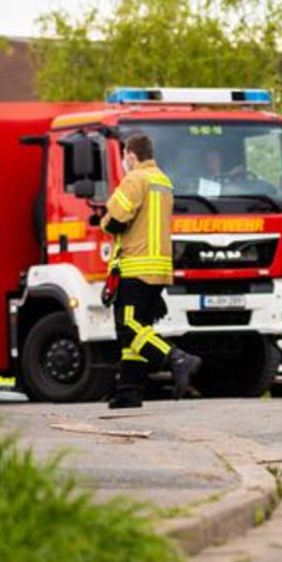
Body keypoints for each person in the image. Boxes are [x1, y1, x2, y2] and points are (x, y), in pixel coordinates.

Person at [100, 134, 202, 409]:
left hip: (136, 267)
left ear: (131, 155)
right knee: (136, 330)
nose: (124, 162)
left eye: (124, 156)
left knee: (129, 326)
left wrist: (104, 218)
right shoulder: (163, 180)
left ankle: (176, 358)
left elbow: (115, 220)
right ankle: (129, 390)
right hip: (157, 268)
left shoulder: (135, 179)